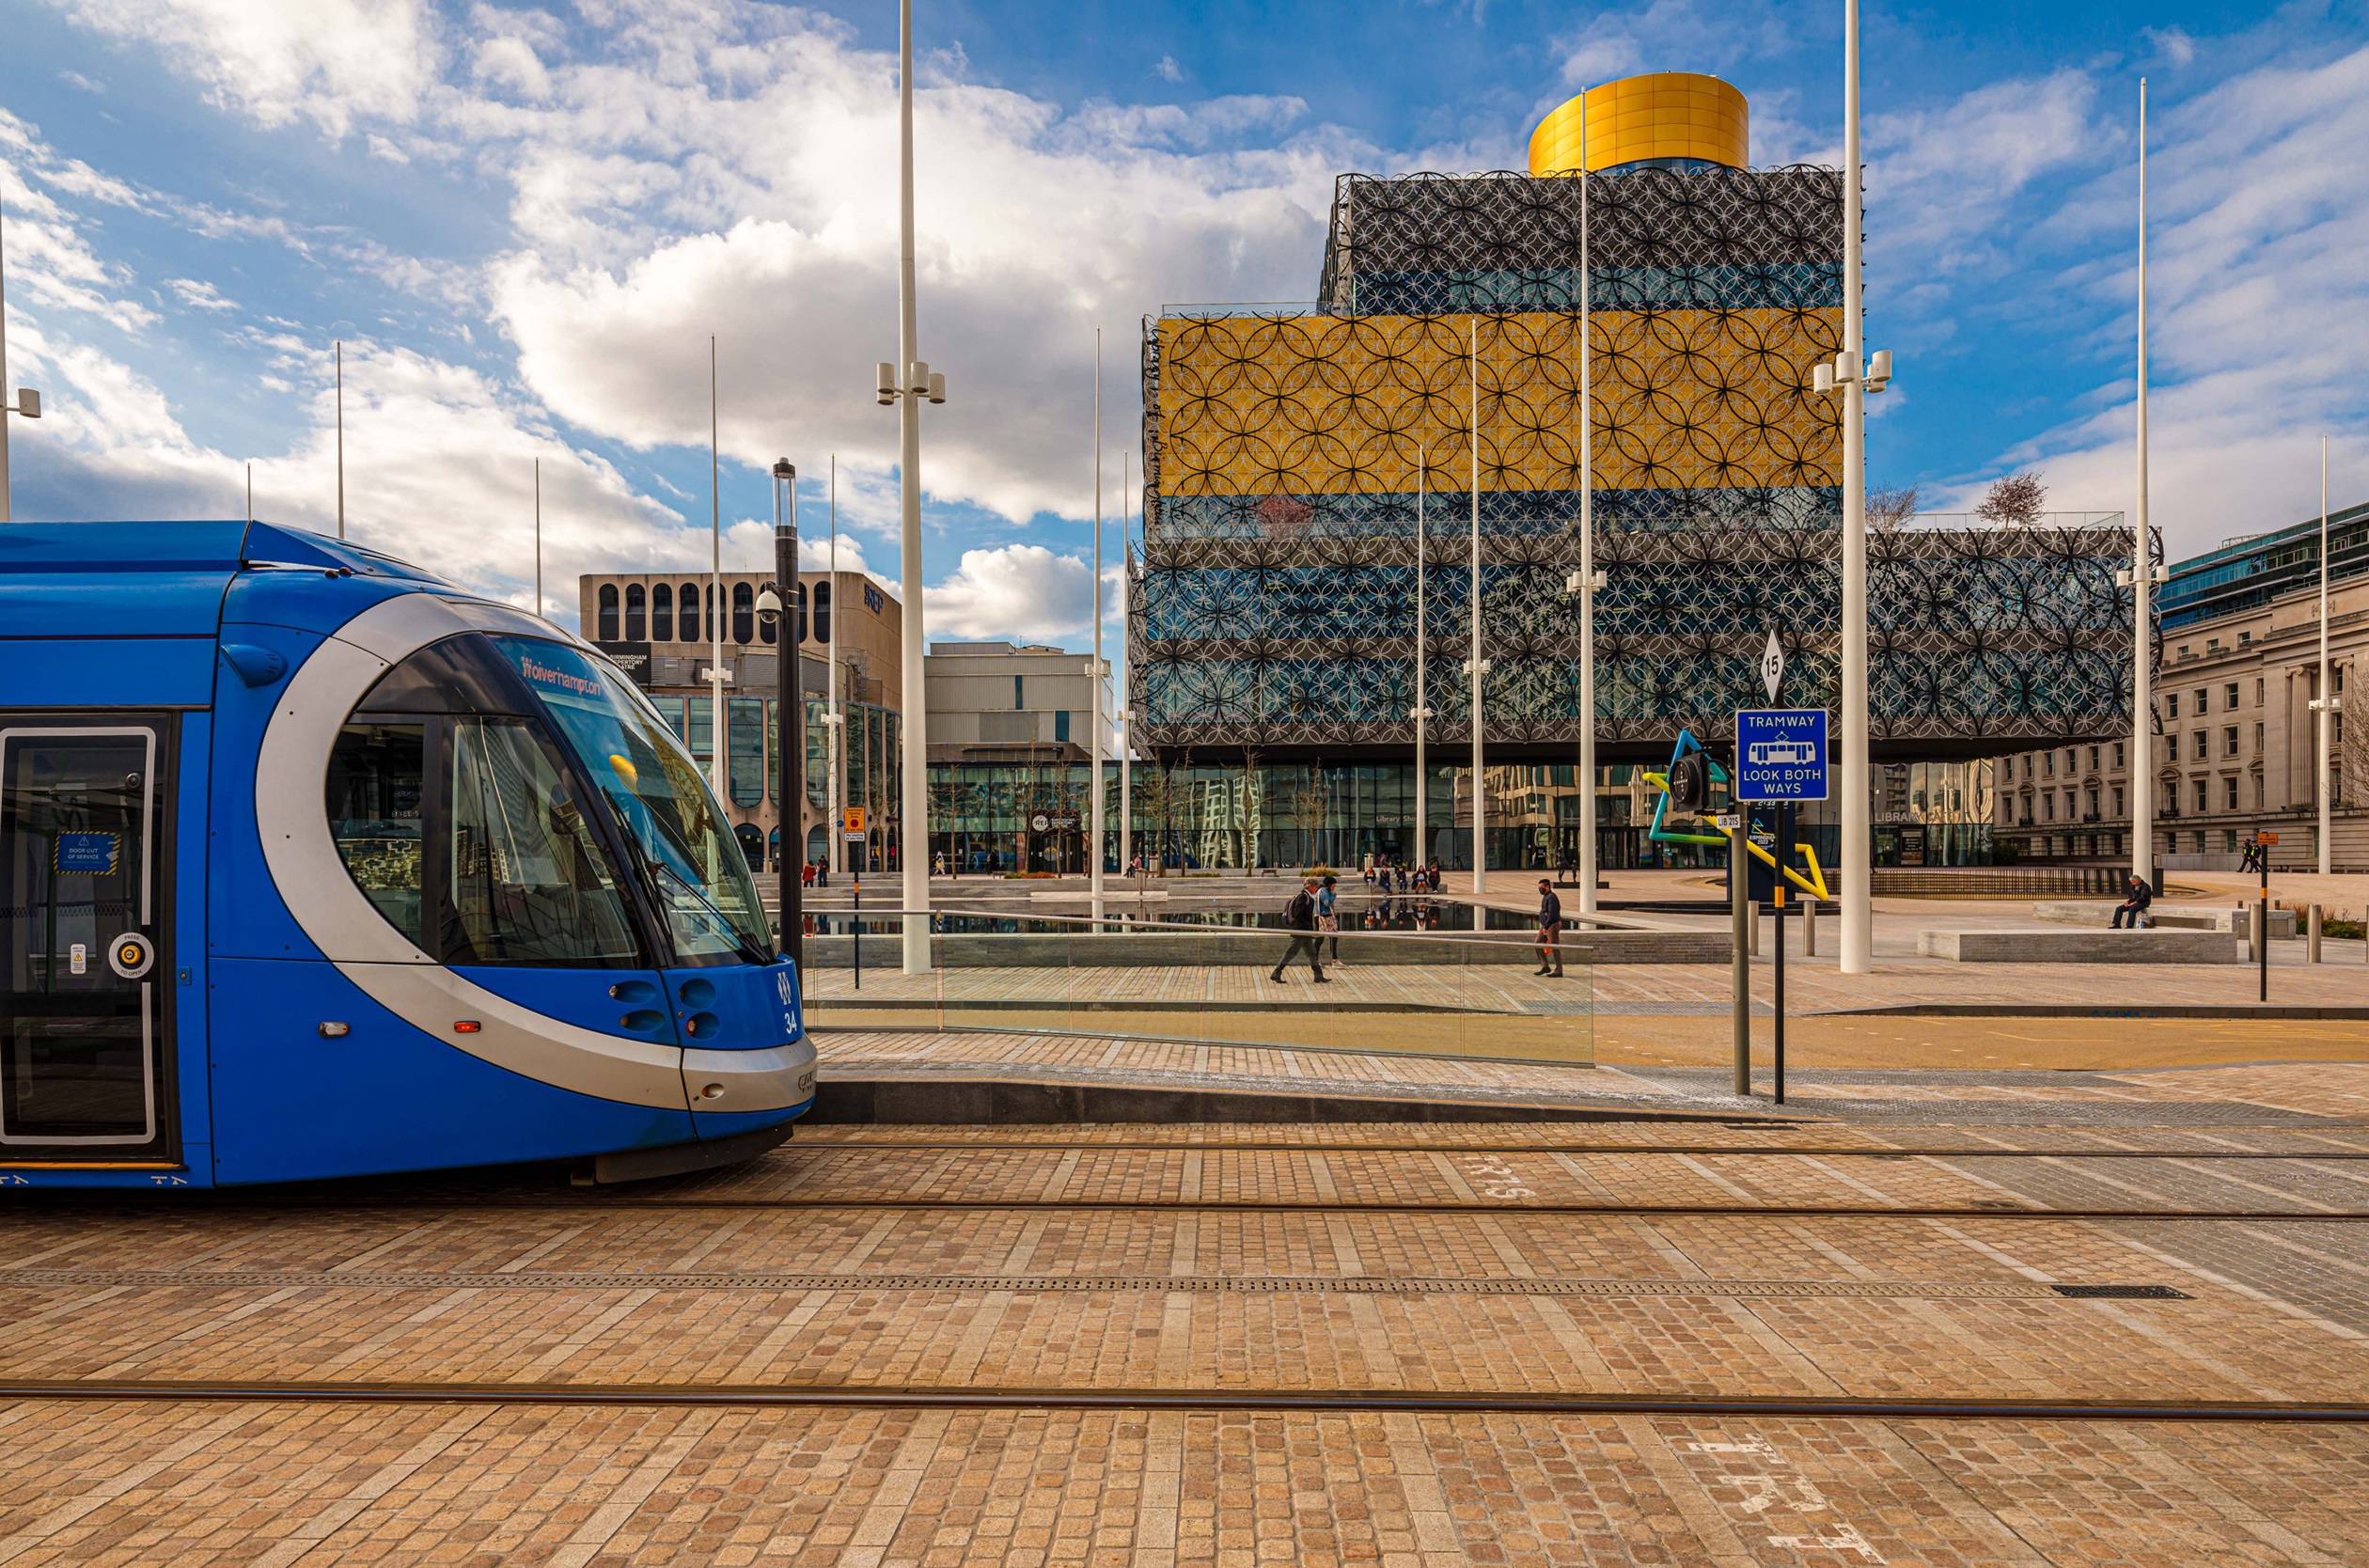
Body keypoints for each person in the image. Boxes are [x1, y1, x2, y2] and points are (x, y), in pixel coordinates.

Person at [1271, 876, 1329, 983]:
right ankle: (1276, 972)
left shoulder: (1307, 896)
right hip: (1301, 931)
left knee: (1312, 953)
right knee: (1290, 953)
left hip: (1305, 932)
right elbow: (1298, 914)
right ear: (1310, 887)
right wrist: (1305, 927)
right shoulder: (1303, 897)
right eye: (1315, 887)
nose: (1316, 889)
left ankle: (1318, 975)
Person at [1535, 876, 1564, 977]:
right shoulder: (1546, 897)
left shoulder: (1552, 897)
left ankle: (1559, 970)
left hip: (1552, 925)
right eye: (1539, 887)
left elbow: (1552, 913)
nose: (1540, 889)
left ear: (1547, 887)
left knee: (1554, 946)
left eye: (1542, 887)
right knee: (1537, 943)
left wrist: (1546, 927)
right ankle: (1545, 966)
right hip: (1546, 925)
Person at [1317, 873, 1341, 963]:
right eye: (1334, 885)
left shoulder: (1325, 891)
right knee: (1329, 937)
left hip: (1327, 916)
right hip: (1325, 917)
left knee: (1331, 937)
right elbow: (1327, 902)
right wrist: (1333, 894)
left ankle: (1333, 958)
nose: (1334, 887)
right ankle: (1333, 959)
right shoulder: (1324, 891)